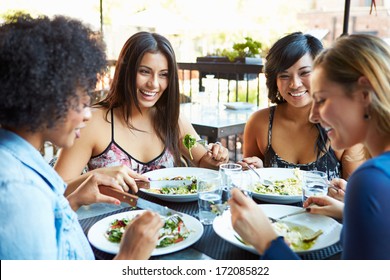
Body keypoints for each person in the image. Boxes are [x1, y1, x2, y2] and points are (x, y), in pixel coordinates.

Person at [0, 13, 163, 260]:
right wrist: (129, 257)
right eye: (81, 101)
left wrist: (72, 202)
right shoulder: (18, 192)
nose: (88, 114)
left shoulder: (19, 161)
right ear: (44, 96)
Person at [229, 34, 390, 259]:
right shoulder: (377, 174)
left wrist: (267, 242)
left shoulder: (372, 179)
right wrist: (349, 211)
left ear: (364, 94)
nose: (314, 115)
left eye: (322, 99)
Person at [54, 31, 229, 195]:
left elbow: (202, 162)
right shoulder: (92, 122)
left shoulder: (172, 119)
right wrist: (96, 177)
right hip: (109, 223)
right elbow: (55, 188)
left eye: (163, 74)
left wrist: (216, 159)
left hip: (169, 222)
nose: (153, 84)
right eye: (144, 72)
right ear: (126, 71)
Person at [240, 32, 366, 183]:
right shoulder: (259, 122)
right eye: (284, 75)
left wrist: (342, 196)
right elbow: (251, 185)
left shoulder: (345, 126)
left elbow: (356, 195)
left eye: (305, 73)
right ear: (275, 80)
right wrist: (255, 169)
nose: (295, 84)